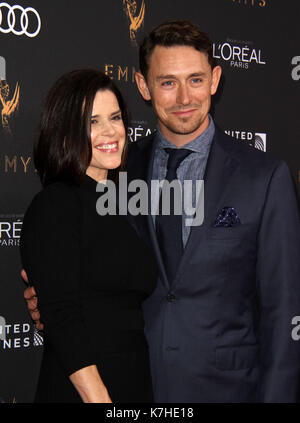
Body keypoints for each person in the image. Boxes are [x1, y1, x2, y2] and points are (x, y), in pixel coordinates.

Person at [24, 20, 300, 402]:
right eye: (168, 82)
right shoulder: (116, 173)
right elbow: (81, 274)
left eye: (196, 80)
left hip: (228, 389)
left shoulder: (264, 178)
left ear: (216, 79)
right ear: (143, 86)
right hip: (132, 384)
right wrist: (49, 304)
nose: (184, 97)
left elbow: (283, 310)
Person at [20, 69, 157, 403]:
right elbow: (63, 318)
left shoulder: (123, 203)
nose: (110, 131)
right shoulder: (55, 203)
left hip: (134, 382)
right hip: (85, 392)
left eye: (115, 117)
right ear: (66, 132)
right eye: (92, 121)